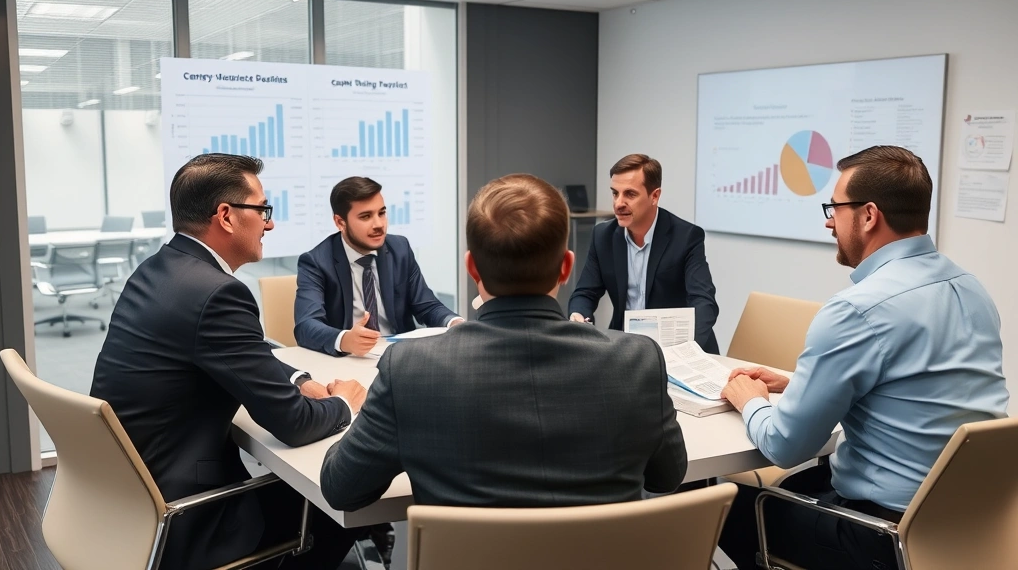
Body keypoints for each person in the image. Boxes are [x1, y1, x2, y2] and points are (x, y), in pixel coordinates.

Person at [320, 173, 687, 511]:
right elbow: (667, 477)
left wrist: (354, 409)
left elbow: (341, 489)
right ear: (566, 267)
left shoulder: (409, 371)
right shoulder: (638, 361)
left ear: (472, 268)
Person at [718, 146, 1010, 570]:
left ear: (869, 215)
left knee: (719, 499)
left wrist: (749, 399)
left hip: (880, 536)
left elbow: (785, 444)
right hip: (968, 523)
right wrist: (795, 382)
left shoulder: (857, 310)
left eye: (835, 208)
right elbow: (916, 385)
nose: (828, 220)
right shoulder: (971, 288)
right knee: (803, 482)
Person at [90, 154, 367, 570]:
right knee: (349, 493)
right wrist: (344, 403)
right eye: (262, 210)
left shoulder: (160, 269)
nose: (269, 224)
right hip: (188, 515)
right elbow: (292, 424)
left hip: (133, 497)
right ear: (226, 216)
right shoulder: (218, 293)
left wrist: (299, 377)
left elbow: (244, 350)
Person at [568, 154, 720, 353]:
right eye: (615, 193)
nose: (618, 203)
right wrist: (578, 316)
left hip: (677, 348)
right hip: (627, 348)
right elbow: (585, 293)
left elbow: (704, 302)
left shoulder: (686, 237)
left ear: (654, 196)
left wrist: (686, 350)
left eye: (630, 194)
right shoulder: (603, 236)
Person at [294, 176, 462, 357]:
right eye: (366, 216)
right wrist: (345, 340)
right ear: (340, 222)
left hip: (399, 356)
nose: (379, 224)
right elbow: (306, 325)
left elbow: (427, 306)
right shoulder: (316, 262)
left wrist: (455, 323)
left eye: (381, 213)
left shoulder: (399, 249)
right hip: (348, 360)